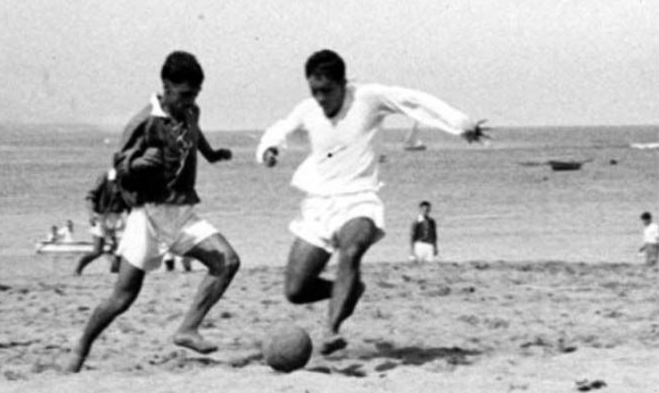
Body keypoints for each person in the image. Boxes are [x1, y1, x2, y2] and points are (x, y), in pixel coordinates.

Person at [257, 49, 487, 355]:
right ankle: (350, 287)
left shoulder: (369, 98)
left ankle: (331, 330)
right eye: (315, 91)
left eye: (327, 90)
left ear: (343, 83)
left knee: (351, 251)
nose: (321, 98)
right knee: (296, 291)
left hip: (359, 200)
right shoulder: (308, 110)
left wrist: (461, 125)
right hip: (318, 206)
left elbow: (415, 101)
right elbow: (280, 129)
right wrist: (269, 150)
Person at [66, 51, 239, 372]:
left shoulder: (191, 111)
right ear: (166, 86)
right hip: (148, 217)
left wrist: (211, 154)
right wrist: (138, 163)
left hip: (183, 213)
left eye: (195, 94)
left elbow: (194, 131)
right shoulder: (143, 120)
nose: (190, 101)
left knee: (227, 261)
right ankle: (81, 348)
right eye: (185, 94)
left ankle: (188, 329)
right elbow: (118, 165)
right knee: (123, 297)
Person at [74, 169, 129, 275]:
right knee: (97, 251)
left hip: (117, 216)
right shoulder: (105, 177)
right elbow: (90, 197)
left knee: (122, 248)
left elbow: (129, 201)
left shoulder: (127, 180)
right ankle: (79, 268)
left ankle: (115, 270)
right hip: (101, 216)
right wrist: (91, 215)